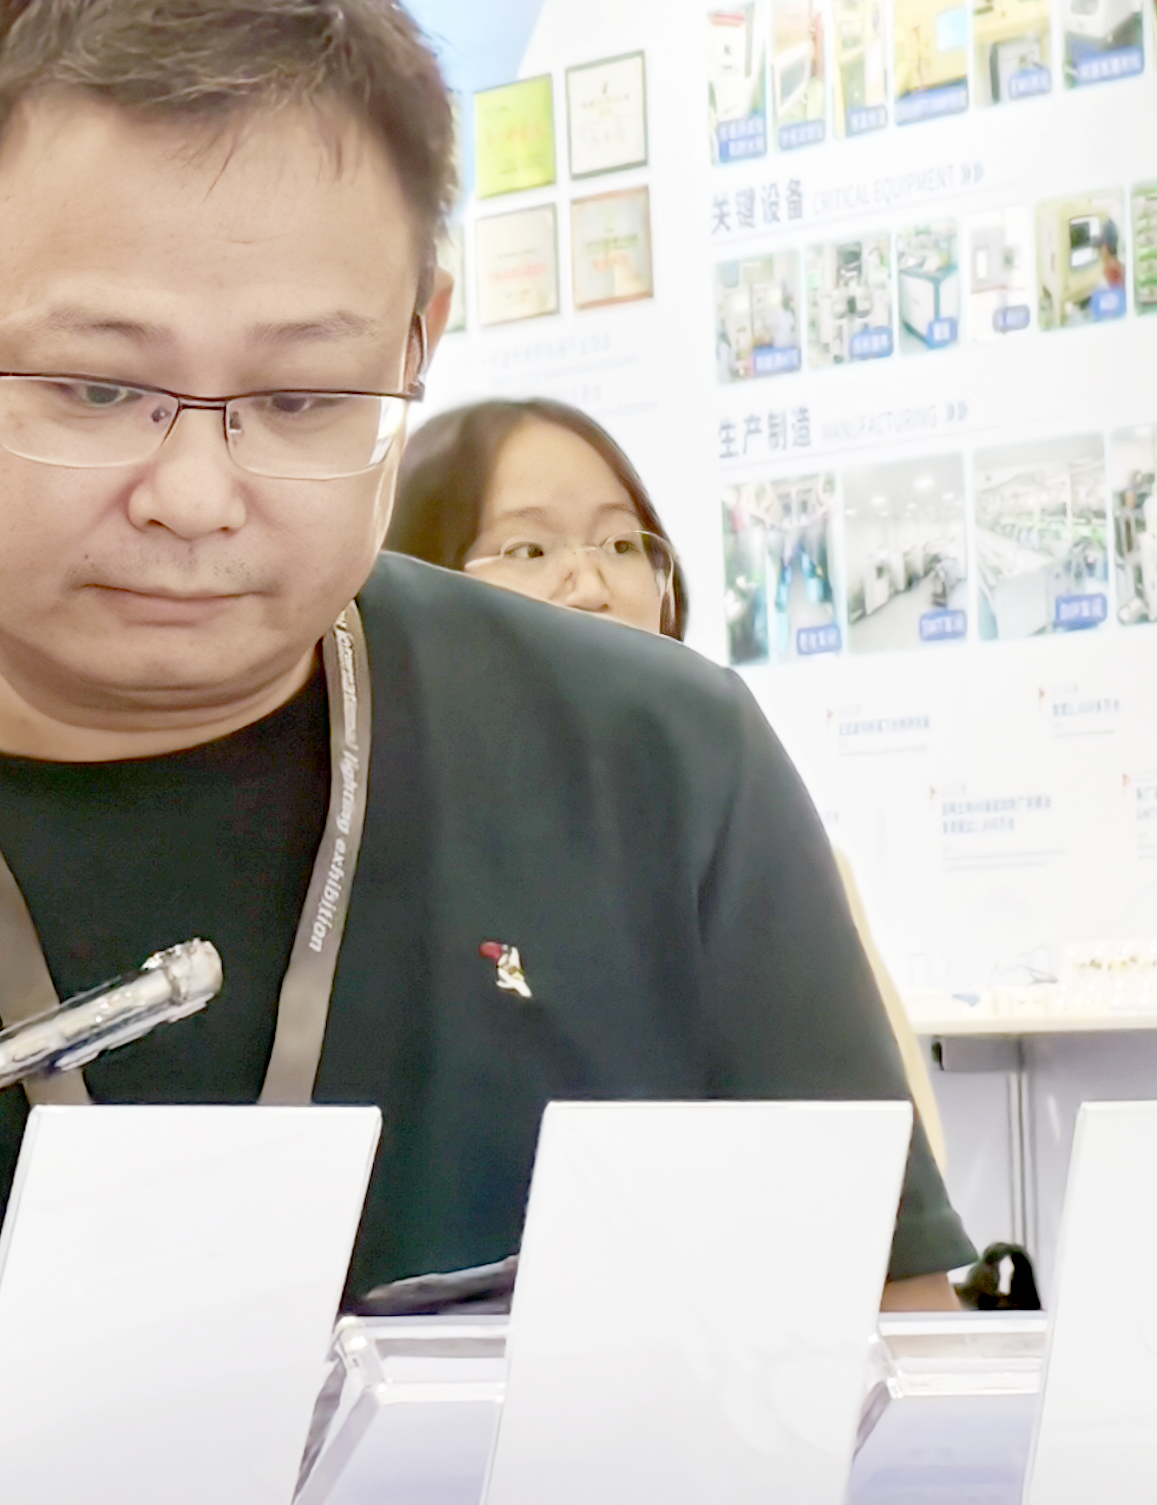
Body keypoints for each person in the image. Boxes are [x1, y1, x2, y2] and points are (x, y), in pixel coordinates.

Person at [0, 0, 973, 1321]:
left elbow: (892, 1364)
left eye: (304, 399)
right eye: (95, 388)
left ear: (417, 340)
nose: (195, 495)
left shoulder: (653, 770)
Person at [381, 397, 944, 1170]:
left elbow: (887, 1172)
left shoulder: (747, 858)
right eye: (529, 549)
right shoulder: (376, 864)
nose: (591, 585)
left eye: (620, 543)